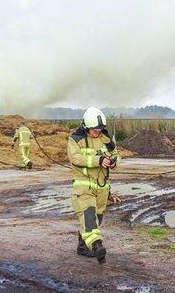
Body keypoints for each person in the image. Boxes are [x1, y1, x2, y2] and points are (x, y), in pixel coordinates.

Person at [67, 107, 120, 264]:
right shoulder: (75, 140)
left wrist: (114, 162)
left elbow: (116, 154)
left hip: (102, 189)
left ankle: (82, 247)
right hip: (84, 188)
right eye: (94, 130)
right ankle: (97, 246)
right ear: (86, 127)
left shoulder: (106, 138)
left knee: (97, 218)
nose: (97, 132)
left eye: (99, 129)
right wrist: (98, 160)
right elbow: (76, 158)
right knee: (89, 217)